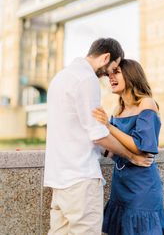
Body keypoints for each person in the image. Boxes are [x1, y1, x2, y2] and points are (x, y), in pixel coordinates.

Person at [44, 38, 154, 235]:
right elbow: (98, 135)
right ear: (105, 57)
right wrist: (132, 156)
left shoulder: (60, 77)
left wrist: (107, 145)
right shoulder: (87, 79)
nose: (109, 74)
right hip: (81, 181)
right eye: (113, 68)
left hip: (58, 180)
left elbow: (77, 131)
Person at [93, 58, 164, 235]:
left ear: (131, 75)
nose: (111, 77)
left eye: (116, 72)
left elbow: (141, 146)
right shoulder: (118, 110)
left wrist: (108, 127)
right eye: (109, 74)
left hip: (142, 188)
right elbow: (114, 149)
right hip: (120, 187)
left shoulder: (146, 103)